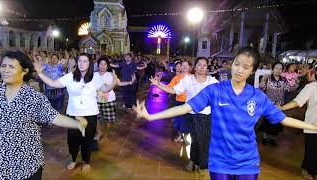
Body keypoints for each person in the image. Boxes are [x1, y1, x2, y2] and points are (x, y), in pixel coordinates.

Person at [133, 47, 317, 180]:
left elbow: (283, 119)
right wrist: (151, 116)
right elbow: (185, 107)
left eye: (246, 67)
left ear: (252, 70)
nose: (239, 69)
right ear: (232, 64)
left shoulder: (258, 97)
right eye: (237, 64)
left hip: (247, 160)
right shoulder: (216, 90)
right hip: (219, 159)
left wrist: (311, 126)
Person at [0, 50, 87, 180]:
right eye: (3, 66)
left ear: (25, 71)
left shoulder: (33, 97)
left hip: (26, 165)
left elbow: (54, 116)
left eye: (11, 66)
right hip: (1, 165)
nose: (5, 70)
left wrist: (77, 123)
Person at [34, 53, 115, 172]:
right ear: (77, 63)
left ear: (90, 63)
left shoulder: (95, 77)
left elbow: (105, 89)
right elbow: (53, 83)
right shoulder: (70, 76)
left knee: (87, 139)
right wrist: (40, 73)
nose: (82, 63)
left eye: (85, 61)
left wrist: (115, 82)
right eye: (80, 61)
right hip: (73, 114)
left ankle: (86, 161)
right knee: (72, 139)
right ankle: (73, 159)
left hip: (90, 114)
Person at [151, 57, 218, 173]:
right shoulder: (188, 80)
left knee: (204, 140)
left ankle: (203, 165)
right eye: (199, 65)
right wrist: (159, 85)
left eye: (204, 65)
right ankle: (193, 160)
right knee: (194, 139)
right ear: (195, 67)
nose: (202, 67)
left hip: (206, 115)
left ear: (207, 67)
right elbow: (173, 90)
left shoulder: (212, 81)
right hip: (190, 113)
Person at [280, 65, 317, 180]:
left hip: (312, 124)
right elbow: (298, 102)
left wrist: (281, 108)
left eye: (310, 73)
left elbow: (297, 102)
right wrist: (281, 108)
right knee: (312, 149)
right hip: (312, 124)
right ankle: (307, 169)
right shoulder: (311, 87)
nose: (308, 75)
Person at [94, 56, 136, 143]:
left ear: (107, 66)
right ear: (98, 65)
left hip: (109, 101)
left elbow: (119, 83)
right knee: (94, 118)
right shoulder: (94, 75)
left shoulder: (111, 75)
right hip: (96, 100)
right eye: (101, 64)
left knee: (108, 119)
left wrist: (130, 82)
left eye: (104, 64)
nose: (102, 66)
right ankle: (99, 132)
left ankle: (106, 134)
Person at [258, 62, 294, 146]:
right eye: (276, 68)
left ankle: (273, 138)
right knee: (267, 122)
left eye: (280, 68)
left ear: (282, 70)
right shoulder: (268, 78)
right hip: (268, 105)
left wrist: (294, 81)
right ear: (273, 69)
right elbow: (260, 88)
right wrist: (263, 80)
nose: (278, 70)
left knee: (276, 123)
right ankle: (265, 137)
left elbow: (289, 89)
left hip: (279, 106)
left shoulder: (283, 80)